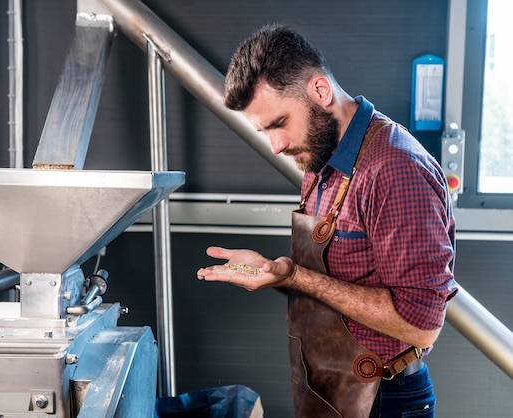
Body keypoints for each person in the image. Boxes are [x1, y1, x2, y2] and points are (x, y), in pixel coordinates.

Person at [196, 24, 457, 418]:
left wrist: (294, 277)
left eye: (279, 122)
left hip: (383, 400)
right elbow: (340, 283)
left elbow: (420, 325)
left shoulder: (395, 168)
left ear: (320, 91)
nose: (276, 145)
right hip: (330, 388)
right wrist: (275, 274)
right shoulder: (320, 158)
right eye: (265, 130)